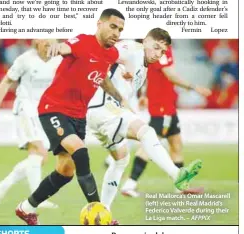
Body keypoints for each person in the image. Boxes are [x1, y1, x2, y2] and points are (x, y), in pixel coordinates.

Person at [15, 8, 126, 225]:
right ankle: (99, 215)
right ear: (100, 24)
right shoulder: (82, 41)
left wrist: (117, 95)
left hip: (78, 116)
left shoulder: (111, 54)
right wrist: (54, 46)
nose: (116, 32)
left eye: (120, 29)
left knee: (65, 171)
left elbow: (101, 76)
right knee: (81, 152)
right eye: (113, 26)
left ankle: (25, 208)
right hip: (54, 108)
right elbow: (64, 47)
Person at [86, 28, 204, 211]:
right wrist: (104, 67)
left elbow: (127, 77)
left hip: (107, 113)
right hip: (103, 110)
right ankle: (177, 176)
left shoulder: (143, 65)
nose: (158, 54)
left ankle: (104, 212)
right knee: (146, 132)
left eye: (162, 51)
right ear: (146, 41)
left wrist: (140, 94)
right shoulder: (132, 48)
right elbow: (102, 53)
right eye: (155, 47)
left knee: (121, 160)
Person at [120, 44, 212, 197]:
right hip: (162, 108)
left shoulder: (154, 50)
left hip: (168, 107)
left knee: (176, 145)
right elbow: (169, 74)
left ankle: (180, 186)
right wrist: (194, 87)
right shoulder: (161, 49)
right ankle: (130, 184)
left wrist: (143, 94)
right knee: (149, 146)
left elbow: (147, 73)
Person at [0, 39, 61, 208]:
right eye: (46, 44)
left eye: (52, 43)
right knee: (41, 152)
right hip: (25, 108)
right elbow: (7, 81)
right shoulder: (25, 59)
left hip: (44, 111)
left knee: (36, 159)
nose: (49, 47)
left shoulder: (58, 60)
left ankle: (2, 185)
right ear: (37, 44)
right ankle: (37, 198)